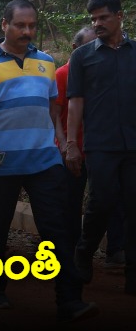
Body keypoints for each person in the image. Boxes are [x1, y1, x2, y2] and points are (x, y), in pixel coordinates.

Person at [0, 0, 97, 321]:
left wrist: (64, 144)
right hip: (1, 162)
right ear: (4, 25)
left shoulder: (46, 62)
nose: (27, 31)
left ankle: (69, 300)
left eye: (32, 25)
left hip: (44, 161)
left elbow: (53, 109)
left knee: (58, 230)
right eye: (20, 25)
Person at [66, 0, 135, 295]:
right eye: (93, 19)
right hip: (100, 145)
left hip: (134, 145)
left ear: (120, 16)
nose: (97, 24)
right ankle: (84, 251)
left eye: (103, 17)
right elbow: (75, 102)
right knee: (102, 201)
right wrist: (71, 142)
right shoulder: (82, 56)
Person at [55, 26, 125, 265]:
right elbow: (56, 114)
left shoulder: (105, 70)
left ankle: (116, 250)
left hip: (101, 148)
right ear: (76, 50)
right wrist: (65, 144)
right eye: (89, 45)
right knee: (72, 200)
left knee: (111, 198)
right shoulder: (63, 74)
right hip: (72, 149)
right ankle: (73, 249)